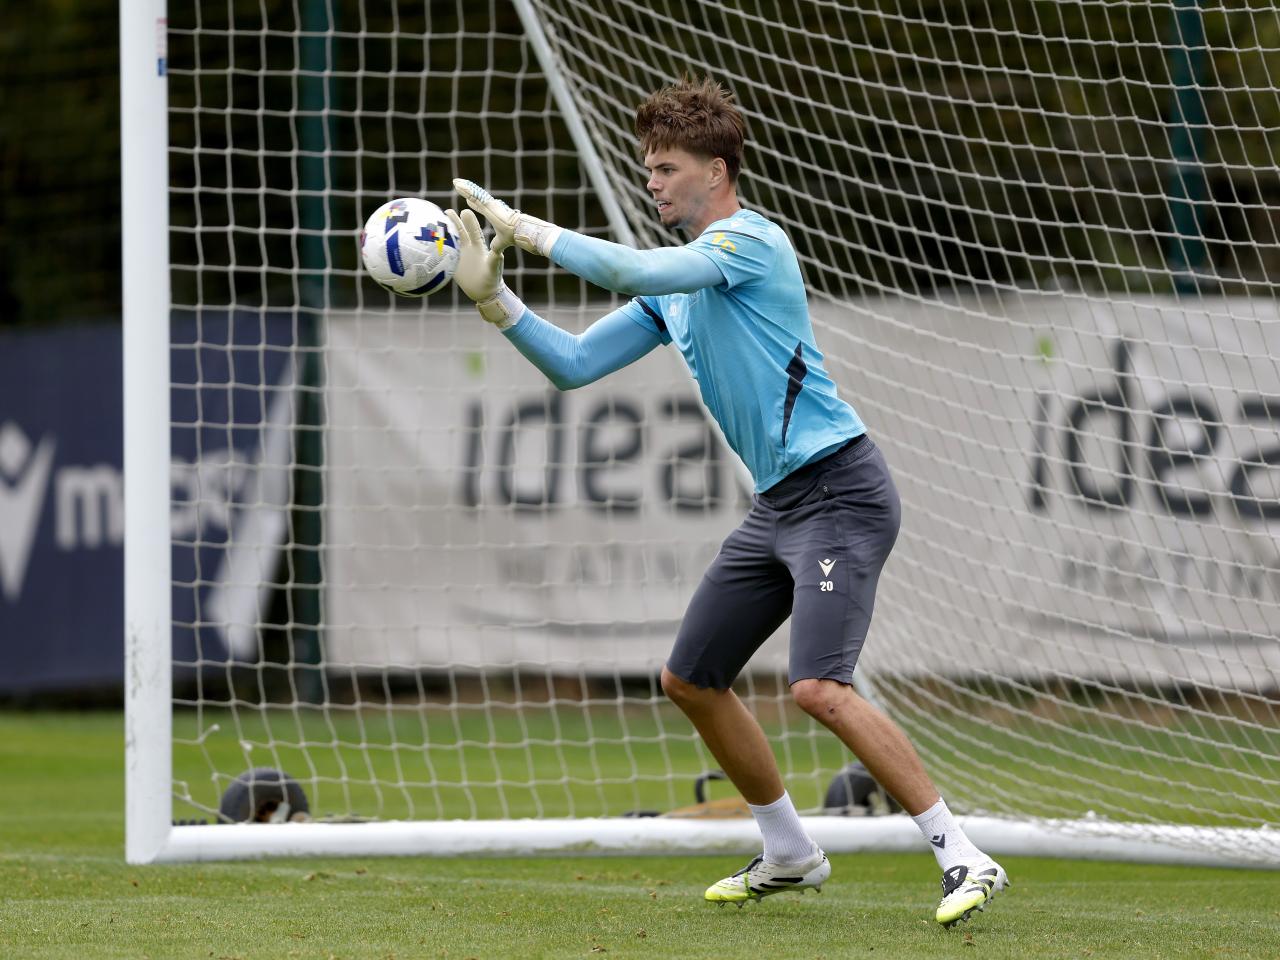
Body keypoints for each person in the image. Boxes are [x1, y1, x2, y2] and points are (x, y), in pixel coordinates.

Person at [445, 76, 1008, 928]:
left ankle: (962, 854)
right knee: (690, 678)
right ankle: (789, 850)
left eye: (667, 167)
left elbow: (627, 264)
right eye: (648, 168)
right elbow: (573, 365)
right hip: (780, 506)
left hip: (840, 491)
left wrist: (524, 231)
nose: (653, 181)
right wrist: (494, 301)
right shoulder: (675, 288)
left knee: (819, 686)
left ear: (717, 170)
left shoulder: (751, 243)